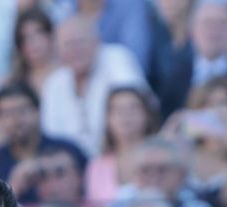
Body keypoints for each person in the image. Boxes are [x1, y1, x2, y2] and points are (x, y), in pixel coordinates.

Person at [40, 15, 148, 156]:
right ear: (57, 49)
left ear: (97, 42)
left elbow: (132, 114)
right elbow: (51, 134)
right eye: (68, 44)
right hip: (71, 167)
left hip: (117, 156)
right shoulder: (54, 83)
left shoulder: (117, 59)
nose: (76, 50)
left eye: (81, 42)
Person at [0, 84, 88, 202]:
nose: (15, 120)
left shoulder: (68, 150)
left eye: (21, 111)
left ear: (37, 111)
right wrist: (14, 186)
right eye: (7, 113)